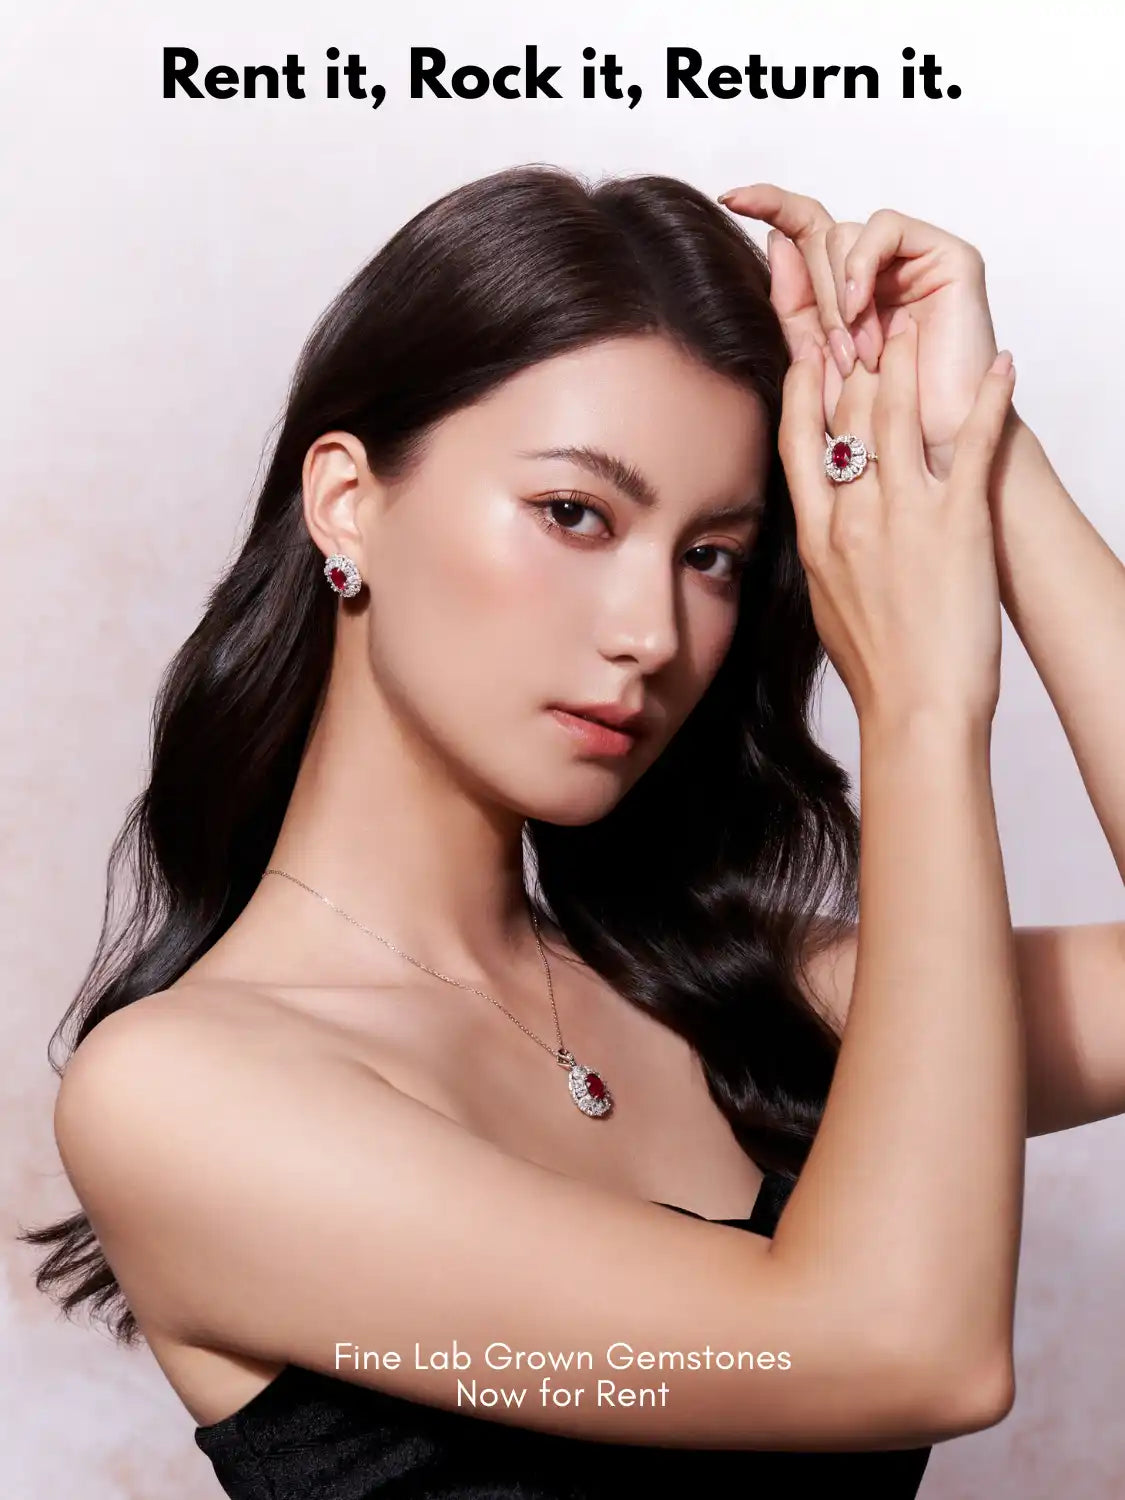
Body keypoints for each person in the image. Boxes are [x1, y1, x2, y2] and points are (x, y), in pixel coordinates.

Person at [19, 163, 1124, 1499]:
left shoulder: (746, 1001)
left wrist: (979, 447)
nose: (650, 632)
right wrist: (923, 707)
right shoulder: (178, 1096)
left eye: (711, 555)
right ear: (348, 502)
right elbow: (903, 1351)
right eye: (574, 514)